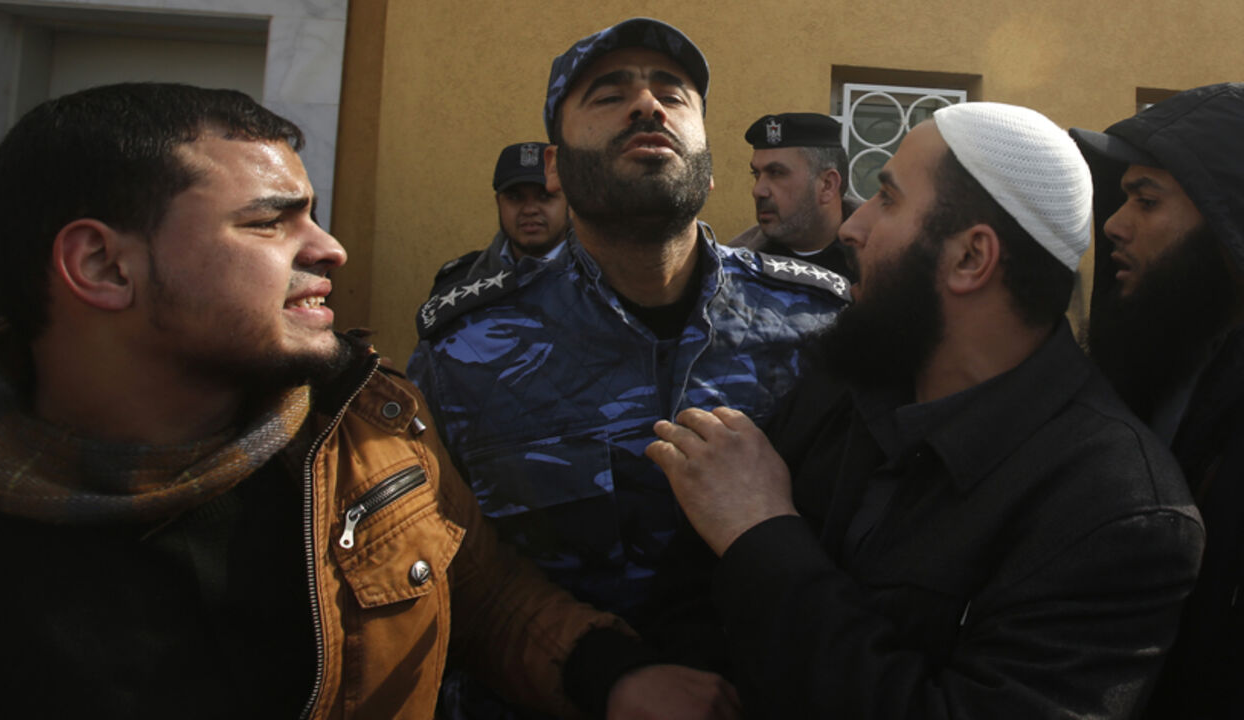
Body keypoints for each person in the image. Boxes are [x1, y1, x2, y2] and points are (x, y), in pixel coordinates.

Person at [0, 82, 740, 720]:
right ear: (102, 266)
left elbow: (481, 591)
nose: (330, 249)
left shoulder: (368, 431)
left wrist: (611, 675)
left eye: (312, 212)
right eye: (268, 222)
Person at [647, 101, 1205, 718]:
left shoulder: (1117, 510)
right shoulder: (846, 382)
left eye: (887, 198)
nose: (853, 227)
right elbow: (692, 584)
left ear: (970, 258)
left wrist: (764, 535)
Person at [409, 17, 847, 715]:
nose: (648, 106)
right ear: (555, 167)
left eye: (672, 95)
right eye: (610, 95)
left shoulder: (819, 324)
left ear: (706, 155)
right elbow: (433, 560)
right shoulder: (464, 349)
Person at [1071, 82, 1244, 719]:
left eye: (1146, 201)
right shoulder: (1161, 355)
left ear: (1228, 222)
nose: (1114, 225)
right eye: (1122, 198)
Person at [726, 112, 858, 279]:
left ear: (827, 185)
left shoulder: (881, 261)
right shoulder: (731, 269)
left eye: (776, 173)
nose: (758, 190)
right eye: (756, 174)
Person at [431, 141, 570, 293]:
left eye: (545, 196)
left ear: (570, 203)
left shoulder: (590, 282)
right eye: (515, 197)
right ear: (499, 203)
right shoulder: (458, 284)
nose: (529, 210)